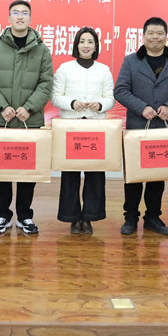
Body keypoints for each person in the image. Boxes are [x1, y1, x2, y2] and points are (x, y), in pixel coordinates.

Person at [0, 0, 54, 235]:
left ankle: (25, 216)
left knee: (27, 171)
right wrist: (2, 106)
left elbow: (46, 82)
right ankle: (2, 214)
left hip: (28, 120)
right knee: (1, 171)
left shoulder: (41, 49)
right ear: (9, 18)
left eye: (24, 13)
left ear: (31, 19)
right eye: (16, 13)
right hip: (1, 119)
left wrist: (29, 107)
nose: (20, 17)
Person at [114, 17, 168, 236]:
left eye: (160, 33)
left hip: (164, 127)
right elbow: (120, 90)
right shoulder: (131, 61)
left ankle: (153, 217)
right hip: (138, 126)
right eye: (151, 33)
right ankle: (130, 217)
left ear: (166, 36)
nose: (155, 37)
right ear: (143, 36)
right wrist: (142, 107)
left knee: (157, 176)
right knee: (134, 176)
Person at [50, 27, 115, 234]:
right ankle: (71, 217)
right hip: (71, 126)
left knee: (95, 173)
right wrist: (72, 102)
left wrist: (100, 105)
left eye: (90, 42)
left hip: (96, 126)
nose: (86, 45)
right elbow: (55, 97)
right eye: (82, 41)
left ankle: (89, 217)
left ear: (96, 46)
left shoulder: (104, 70)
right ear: (76, 45)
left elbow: (111, 98)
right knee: (70, 173)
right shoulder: (65, 68)